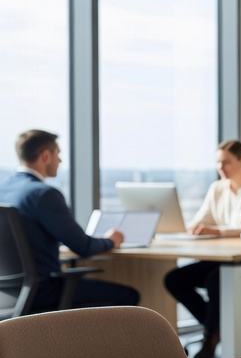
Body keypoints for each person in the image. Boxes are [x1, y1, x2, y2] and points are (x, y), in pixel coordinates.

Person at [0, 130, 139, 310]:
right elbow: (84, 247)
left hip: (8, 294)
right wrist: (111, 240)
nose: (61, 161)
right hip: (43, 292)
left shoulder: (4, 190)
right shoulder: (44, 195)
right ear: (46, 156)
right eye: (58, 154)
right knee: (129, 296)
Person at [162, 140, 241, 358]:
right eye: (218, 162)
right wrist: (191, 229)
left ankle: (210, 335)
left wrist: (216, 231)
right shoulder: (217, 189)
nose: (221, 168)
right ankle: (217, 328)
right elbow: (202, 220)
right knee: (174, 279)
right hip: (223, 257)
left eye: (227, 162)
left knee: (216, 279)